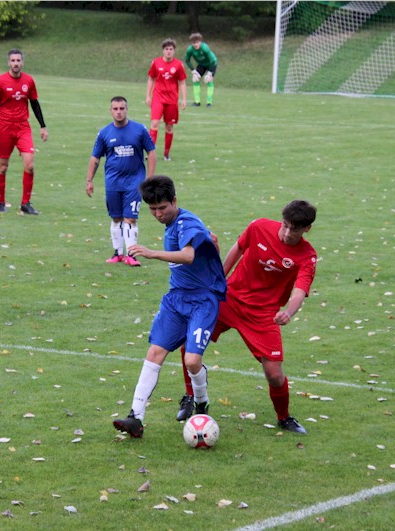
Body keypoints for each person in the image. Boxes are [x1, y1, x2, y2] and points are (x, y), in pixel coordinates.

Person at [175, 200, 318, 435]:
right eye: (285, 225)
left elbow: (299, 291)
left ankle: (284, 418)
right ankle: (191, 396)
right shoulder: (259, 227)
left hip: (263, 313)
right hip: (229, 299)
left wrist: (289, 312)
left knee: (273, 373)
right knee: (190, 341)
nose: (286, 233)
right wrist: (217, 281)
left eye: (294, 229)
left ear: (306, 229)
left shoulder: (307, 256)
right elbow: (238, 249)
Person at [113, 175, 226, 438]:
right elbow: (210, 241)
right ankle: (135, 418)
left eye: (162, 208)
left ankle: (201, 403)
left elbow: (188, 256)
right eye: (152, 209)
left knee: (192, 361)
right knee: (154, 353)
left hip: (202, 301)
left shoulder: (187, 221)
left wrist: (151, 253)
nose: (157, 214)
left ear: (174, 200)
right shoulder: (173, 224)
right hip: (176, 299)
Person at [86, 96, 157, 266]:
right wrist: (89, 180)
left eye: (122, 108)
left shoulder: (139, 130)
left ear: (127, 109)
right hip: (113, 183)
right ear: (111, 110)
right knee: (116, 218)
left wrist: (150, 179)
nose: (119, 112)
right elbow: (95, 158)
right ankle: (117, 253)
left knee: (130, 219)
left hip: (135, 182)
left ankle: (131, 254)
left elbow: (151, 153)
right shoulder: (104, 133)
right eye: (115, 109)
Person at [0, 48, 48, 215]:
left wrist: (43, 126)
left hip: (23, 128)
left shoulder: (28, 81)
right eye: (13, 60)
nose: (15, 63)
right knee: (3, 166)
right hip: (4, 127)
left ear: (22, 62)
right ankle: (1, 202)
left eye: (18, 60)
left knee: (29, 165)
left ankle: (25, 204)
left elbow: (35, 104)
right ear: (9, 62)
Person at [146, 38, 187, 162]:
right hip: (158, 98)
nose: (169, 51)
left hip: (172, 100)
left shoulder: (179, 65)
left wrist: (184, 99)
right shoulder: (156, 63)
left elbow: (182, 82)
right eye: (166, 49)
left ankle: (166, 153)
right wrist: (148, 95)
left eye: (171, 49)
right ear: (163, 51)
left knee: (169, 127)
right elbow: (151, 79)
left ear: (174, 51)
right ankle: (150, 153)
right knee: (154, 124)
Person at [184, 32, 218, 107]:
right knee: (195, 79)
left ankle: (209, 102)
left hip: (211, 64)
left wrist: (210, 73)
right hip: (202, 65)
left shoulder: (205, 48)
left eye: (197, 42)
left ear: (200, 42)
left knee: (209, 80)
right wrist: (193, 71)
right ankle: (197, 102)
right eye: (194, 43)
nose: (196, 44)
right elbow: (187, 60)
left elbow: (212, 61)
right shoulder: (190, 50)